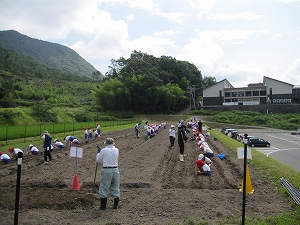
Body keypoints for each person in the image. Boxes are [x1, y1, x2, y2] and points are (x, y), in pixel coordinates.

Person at [96, 138, 120, 210]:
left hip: (107, 170)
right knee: (115, 186)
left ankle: (103, 206)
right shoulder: (116, 150)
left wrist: (99, 153)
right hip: (115, 170)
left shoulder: (103, 150)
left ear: (106, 143)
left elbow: (98, 160)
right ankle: (115, 205)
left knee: (104, 187)